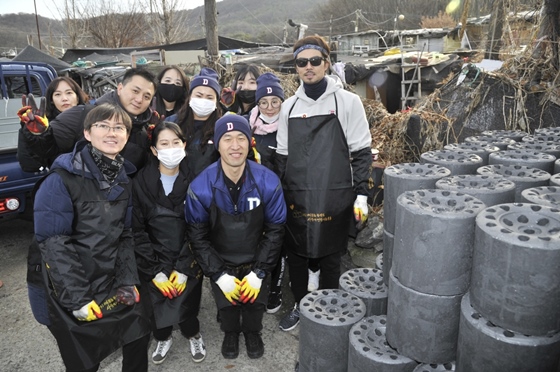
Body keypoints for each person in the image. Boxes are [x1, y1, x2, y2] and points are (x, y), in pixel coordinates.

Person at [32, 103, 151, 372]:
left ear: (127, 136)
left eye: (119, 127)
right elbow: (54, 243)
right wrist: (78, 299)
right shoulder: (61, 179)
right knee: (84, 358)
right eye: (103, 126)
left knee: (138, 332)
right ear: (87, 133)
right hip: (72, 284)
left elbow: (125, 234)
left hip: (109, 278)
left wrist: (127, 280)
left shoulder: (123, 178)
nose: (112, 133)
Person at [275, 36, 373, 332]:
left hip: (335, 195)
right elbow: (282, 157)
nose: (308, 67)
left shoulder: (348, 101)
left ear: (326, 63)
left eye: (315, 61)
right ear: (296, 68)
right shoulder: (289, 107)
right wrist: (280, 197)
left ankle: (330, 306)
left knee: (331, 254)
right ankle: (301, 305)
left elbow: (361, 151)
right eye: (301, 62)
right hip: (299, 196)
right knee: (297, 254)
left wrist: (362, 195)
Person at [185, 114, 286, 360]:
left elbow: (275, 230)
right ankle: (230, 332)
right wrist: (218, 274)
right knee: (227, 308)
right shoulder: (200, 186)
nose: (234, 145)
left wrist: (260, 271)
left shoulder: (268, 181)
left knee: (255, 306)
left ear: (250, 142)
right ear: (217, 144)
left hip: (256, 257)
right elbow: (197, 237)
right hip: (221, 259)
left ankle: (253, 332)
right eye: (227, 138)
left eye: (241, 137)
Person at [132, 122, 206, 365]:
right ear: (154, 150)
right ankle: (162, 337)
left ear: (184, 145)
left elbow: (201, 227)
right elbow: (137, 230)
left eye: (176, 143)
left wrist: (185, 267)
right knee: (157, 309)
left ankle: (193, 334)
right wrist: (154, 271)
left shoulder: (196, 179)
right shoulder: (141, 182)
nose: (171, 148)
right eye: (164, 144)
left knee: (188, 308)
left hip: (188, 255)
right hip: (153, 259)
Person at [21, 68, 158, 171]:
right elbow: (35, 160)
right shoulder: (81, 115)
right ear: (120, 88)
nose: (139, 99)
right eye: (135, 91)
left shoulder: (144, 131)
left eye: (147, 96)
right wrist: (38, 134)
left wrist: (158, 139)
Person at [247, 72, 286, 313]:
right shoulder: (248, 125)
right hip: (252, 197)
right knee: (253, 243)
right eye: (263, 102)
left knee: (277, 244)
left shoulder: (291, 126)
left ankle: (276, 288)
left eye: (275, 102)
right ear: (257, 103)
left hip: (280, 196)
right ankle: (256, 283)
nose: (269, 107)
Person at [17, 76, 88, 172]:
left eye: (69, 93)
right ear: (51, 100)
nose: (64, 98)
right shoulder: (43, 125)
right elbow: (30, 165)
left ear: (78, 97)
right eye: (57, 94)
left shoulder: (93, 118)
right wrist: (29, 130)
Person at [168, 67, 222, 176]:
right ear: (190, 97)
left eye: (209, 97)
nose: (203, 100)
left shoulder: (222, 127)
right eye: (199, 95)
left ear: (216, 102)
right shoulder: (171, 123)